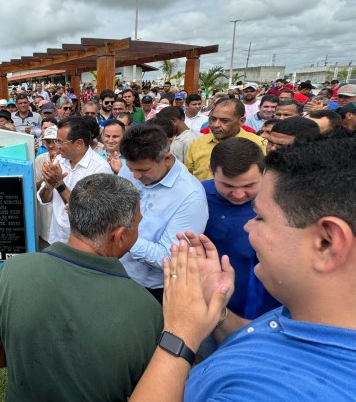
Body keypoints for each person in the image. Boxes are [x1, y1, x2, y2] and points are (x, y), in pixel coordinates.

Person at [131, 135, 356, 401]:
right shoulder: (298, 314)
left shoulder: (272, 391)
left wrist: (179, 335)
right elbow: (255, 333)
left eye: (260, 217)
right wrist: (216, 307)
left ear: (326, 242)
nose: (248, 226)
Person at [0, 174, 162, 401]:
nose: (138, 230)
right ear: (119, 236)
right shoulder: (147, 310)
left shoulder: (14, 269)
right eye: (138, 224)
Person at [118, 125, 208, 303]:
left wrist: (120, 237)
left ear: (167, 158)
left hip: (153, 290)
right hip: (118, 273)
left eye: (144, 170)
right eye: (130, 169)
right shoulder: (130, 170)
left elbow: (169, 258)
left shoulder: (190, 197)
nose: (135, 176)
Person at [202, 138, 280, 320]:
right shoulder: (196, 197)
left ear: (264, 172)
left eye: (249, 186)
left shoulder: (282, 201)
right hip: (209, 306)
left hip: (264, 314)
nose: (238, 194)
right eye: (227, 185)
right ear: (211, 171)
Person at [37, 116, 111, 244]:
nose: (56, 146)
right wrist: (48, 186)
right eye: (55, 141)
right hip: (56, 239)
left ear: (79, 144)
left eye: (60, 142)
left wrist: (60, 185)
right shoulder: (59, 160)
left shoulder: (100, 169)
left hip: (82, 244)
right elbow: (44, 199)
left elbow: (88, 213)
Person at [185, 98, 266, 181]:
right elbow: (188, 175)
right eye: (213, 119)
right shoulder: (197, 143)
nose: (215, 125)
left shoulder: (258, 144)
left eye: (224, 121)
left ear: (241, 121)